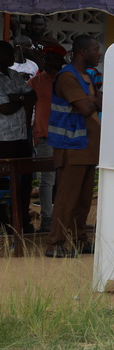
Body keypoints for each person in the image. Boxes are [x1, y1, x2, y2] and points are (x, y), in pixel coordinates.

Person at [45, 35, 103, 258]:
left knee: (83, 199)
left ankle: (80, 240)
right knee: (67, 198)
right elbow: (86, 108)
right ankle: (55, 244)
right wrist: (95, 100)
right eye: (95, 49)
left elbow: (98, 102)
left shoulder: (86, 76)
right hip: (72, 144)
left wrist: (94, 100)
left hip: (87, 145)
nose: (98, 53)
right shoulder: (67, 76)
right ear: (82, 52)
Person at [26, 43, 67, 233]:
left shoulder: (67, 80)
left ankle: (63, 218)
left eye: (53, 59)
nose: (49, 62)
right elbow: (25, 100)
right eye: (47, 59)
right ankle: (47, 220)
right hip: (44, 136)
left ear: (61, 61)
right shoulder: (36, 81)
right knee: (48, 180)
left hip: (66, 136)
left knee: (64, 179)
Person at [0, 40, 37, 234]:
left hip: (21, 135)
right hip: (2, 139)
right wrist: (21, 99)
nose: (12, 57)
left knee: (24, 180)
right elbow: (4, 109)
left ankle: (22, 221)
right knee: (4, 182)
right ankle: (5, 223)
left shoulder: (13, 74)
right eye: (7, 53)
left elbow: (32, 96)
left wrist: (18, 98)